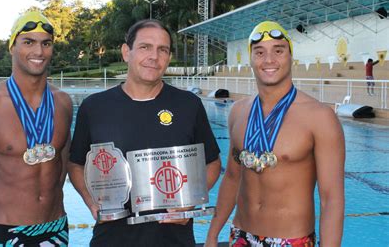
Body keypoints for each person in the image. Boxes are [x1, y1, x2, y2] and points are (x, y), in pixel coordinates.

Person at [68, 19, 221, 247]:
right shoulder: (94, 107)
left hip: (174, 240)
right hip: (112, 239)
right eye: (145, 47)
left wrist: (188, 202)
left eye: (163, 50)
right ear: (126, 52)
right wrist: (91, 202)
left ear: (168, 57)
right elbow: (76, 164)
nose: (154, 56)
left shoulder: (188, 105)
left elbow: (212, 163)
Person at [205, 21, 345, 247]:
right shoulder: (238, 111)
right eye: (259, 52)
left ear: (291, 57)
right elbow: (232, 177)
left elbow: (332, 199)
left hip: (291, 240)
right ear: (251, 59)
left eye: (278, 51)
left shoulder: (320, 117)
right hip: (241, 235)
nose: (269, 60)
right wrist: (213, 234)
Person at [0, 10, 73, 246]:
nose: (39, 52)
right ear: (12, 47)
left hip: (55, 228)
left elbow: (61, 167)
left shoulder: (63, 103)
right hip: (5, 231)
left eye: (46, 44)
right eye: (28, 42)